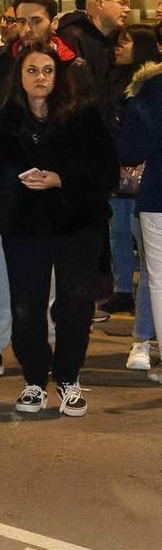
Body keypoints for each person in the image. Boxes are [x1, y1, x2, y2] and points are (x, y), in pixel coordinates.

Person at [0, 42, 118, 417]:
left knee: (74, 305)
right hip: (23, 226)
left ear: (58, 76)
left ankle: (68, 379)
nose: (40, 78)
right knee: (26, 307)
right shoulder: (2, 122)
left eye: (47, 71)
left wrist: (61, 180)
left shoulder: (82, 116)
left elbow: (106, 174)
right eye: (32, 71)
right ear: (19, 77)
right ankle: (34, 381)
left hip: (76, 225)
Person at [103, 26, 159, 322]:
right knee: (119, 232)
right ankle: (122, 288)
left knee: (146, 247)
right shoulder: (114, 79)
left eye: (125, 43)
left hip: (144, 175)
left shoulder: (148, 86)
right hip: (119, 169)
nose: (118, 49)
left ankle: (144, 326)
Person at [115, 47, 162, 380]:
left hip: (159, 197)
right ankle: (143, 343)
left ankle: (145, 343)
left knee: (158, 279)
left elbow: (130, 150)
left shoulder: (152, 89)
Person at [58, 0, 129, 104]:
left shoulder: (120, 37)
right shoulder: (72, 36)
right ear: (100, 3)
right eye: (122, 3)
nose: (127, 10)